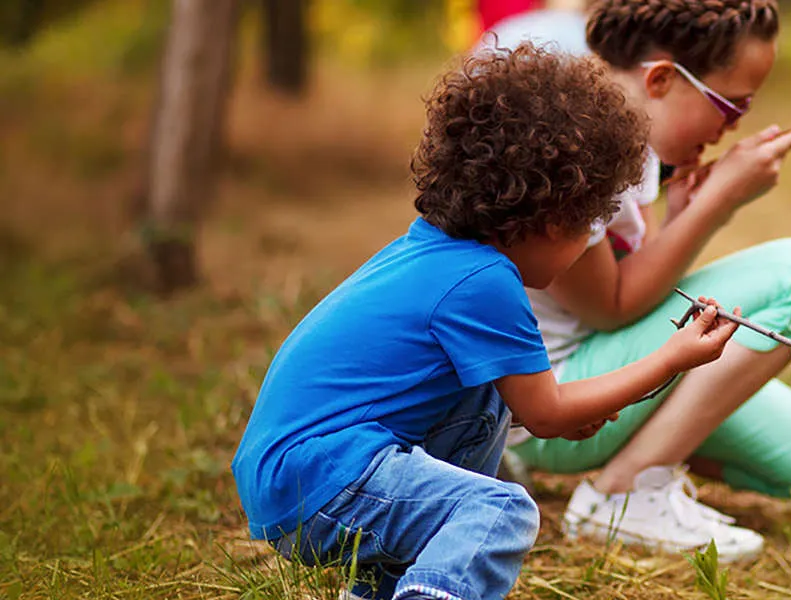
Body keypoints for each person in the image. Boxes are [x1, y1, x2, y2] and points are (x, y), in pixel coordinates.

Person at [229, 45, 742, 600]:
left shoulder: (438, 251)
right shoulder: (485, 281)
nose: (587, 245)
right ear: (551, 219)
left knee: (486, 398)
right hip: (321, 479)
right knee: (499, 511)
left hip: (297, 474)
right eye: (590, 223)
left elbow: (529, 406)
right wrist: (674, 358)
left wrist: (562, 413)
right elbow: (546, 414)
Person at [477, 0, 791, 564]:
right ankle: (622, 494)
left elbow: (632, 269)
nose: (735, 125)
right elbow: (613, 306)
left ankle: (647, 462)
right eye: (732, 103)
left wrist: (678, 215)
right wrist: (718, 204)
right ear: (663, 79)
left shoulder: (640, 144)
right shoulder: (573, 148)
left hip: (599, 372)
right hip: (550, 397)